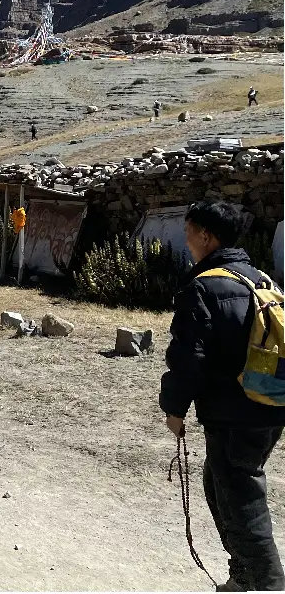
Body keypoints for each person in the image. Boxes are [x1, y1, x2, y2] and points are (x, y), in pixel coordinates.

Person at [160, 201, 285, 591]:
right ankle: (244, 575)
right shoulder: (263, 280)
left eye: (189, 233)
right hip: (270, 406)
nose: (187, 241)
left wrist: (174, 408)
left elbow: (188, 357)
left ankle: (267, 583)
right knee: (221, 486)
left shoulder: (203, 286)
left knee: (241, 498)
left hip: (233, 414)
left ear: (205, 236)